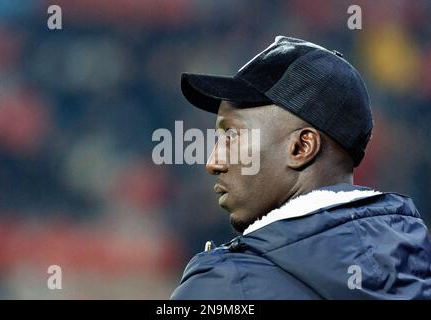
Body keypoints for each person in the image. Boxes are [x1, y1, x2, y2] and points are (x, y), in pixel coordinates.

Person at [171, 36, 431, 299]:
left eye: (232, 136)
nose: (213, 163)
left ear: (301, 147)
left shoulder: (225, 286)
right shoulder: (417, 269)